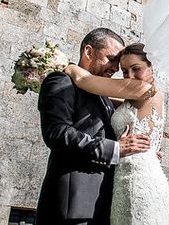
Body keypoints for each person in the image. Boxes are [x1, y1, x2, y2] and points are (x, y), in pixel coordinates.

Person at [36, 28, 152, 225]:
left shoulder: (104, 94)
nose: (115, 68)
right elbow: (56, 132)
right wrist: (115, 149)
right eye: (111, 59)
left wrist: (142, 151)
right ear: (88, 52)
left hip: (104, 204)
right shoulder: (61, 81)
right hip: (73, 203)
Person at [64, 42, 169, 225]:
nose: (129, 76)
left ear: (152, 67)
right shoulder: (135, 96)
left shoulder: (144, 90)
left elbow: (84, 81)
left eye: (136, 68)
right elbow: (102, 96)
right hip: (128, 172)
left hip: (139, 179)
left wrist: (66, 65)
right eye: (124, 71)